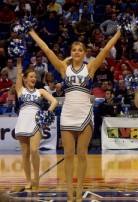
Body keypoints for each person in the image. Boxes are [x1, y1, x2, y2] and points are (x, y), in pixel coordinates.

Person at [28, 27, 121, 201]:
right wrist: (32, 33)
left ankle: (79, 188)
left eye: (80, 50)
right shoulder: (64, 68)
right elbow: (47, 50)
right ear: (70, 52)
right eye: (74, 50)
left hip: (85, 113)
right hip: (68, 114)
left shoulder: (91, 67)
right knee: (68, 155)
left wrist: (118, 33)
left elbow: (106, 49)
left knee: (82, 154)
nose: (77, 52)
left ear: (85, 53)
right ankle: (69, 189)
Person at [14, 57, 57, 190]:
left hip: (35, 121)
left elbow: (54, 102)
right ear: (25, 79)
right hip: (22, 121)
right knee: (25, 153)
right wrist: (19, 61)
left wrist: (46, 113)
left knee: (34, 150)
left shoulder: (41, 91)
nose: (33, 78)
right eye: (31, 76)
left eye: (34, 76)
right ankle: (28, 181)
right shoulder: (20, 90)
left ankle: (36, 179)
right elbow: (18, 74)